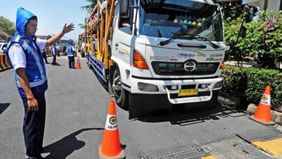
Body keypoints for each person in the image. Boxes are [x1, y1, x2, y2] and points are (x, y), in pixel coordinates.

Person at [5, 7, 74, 159]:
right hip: (31, 91)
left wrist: (62, 33)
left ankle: (37, 146)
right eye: (33, 26)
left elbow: (48, 42)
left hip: (39, 89)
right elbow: (20, 73)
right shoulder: (17, 45)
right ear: (23, 25)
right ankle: (32, 155)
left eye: (36, 25)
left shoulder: (32, 40)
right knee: (32, 123)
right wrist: (30, 97)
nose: (36, 28)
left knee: (39, 120)